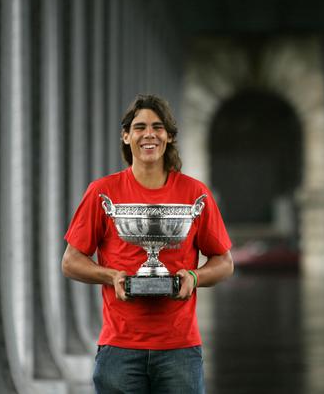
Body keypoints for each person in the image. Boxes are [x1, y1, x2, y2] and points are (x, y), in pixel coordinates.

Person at [62, 94, 234, 394]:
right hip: (119, 347)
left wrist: (193, 277)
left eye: (158, 126)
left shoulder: (195, 193)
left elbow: (224, 262)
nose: (149, 134)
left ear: (168, 136)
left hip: (179, 348)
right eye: (140, 127)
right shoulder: (103, 192)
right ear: (126, 136)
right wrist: (112, 275)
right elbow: (71, 261)